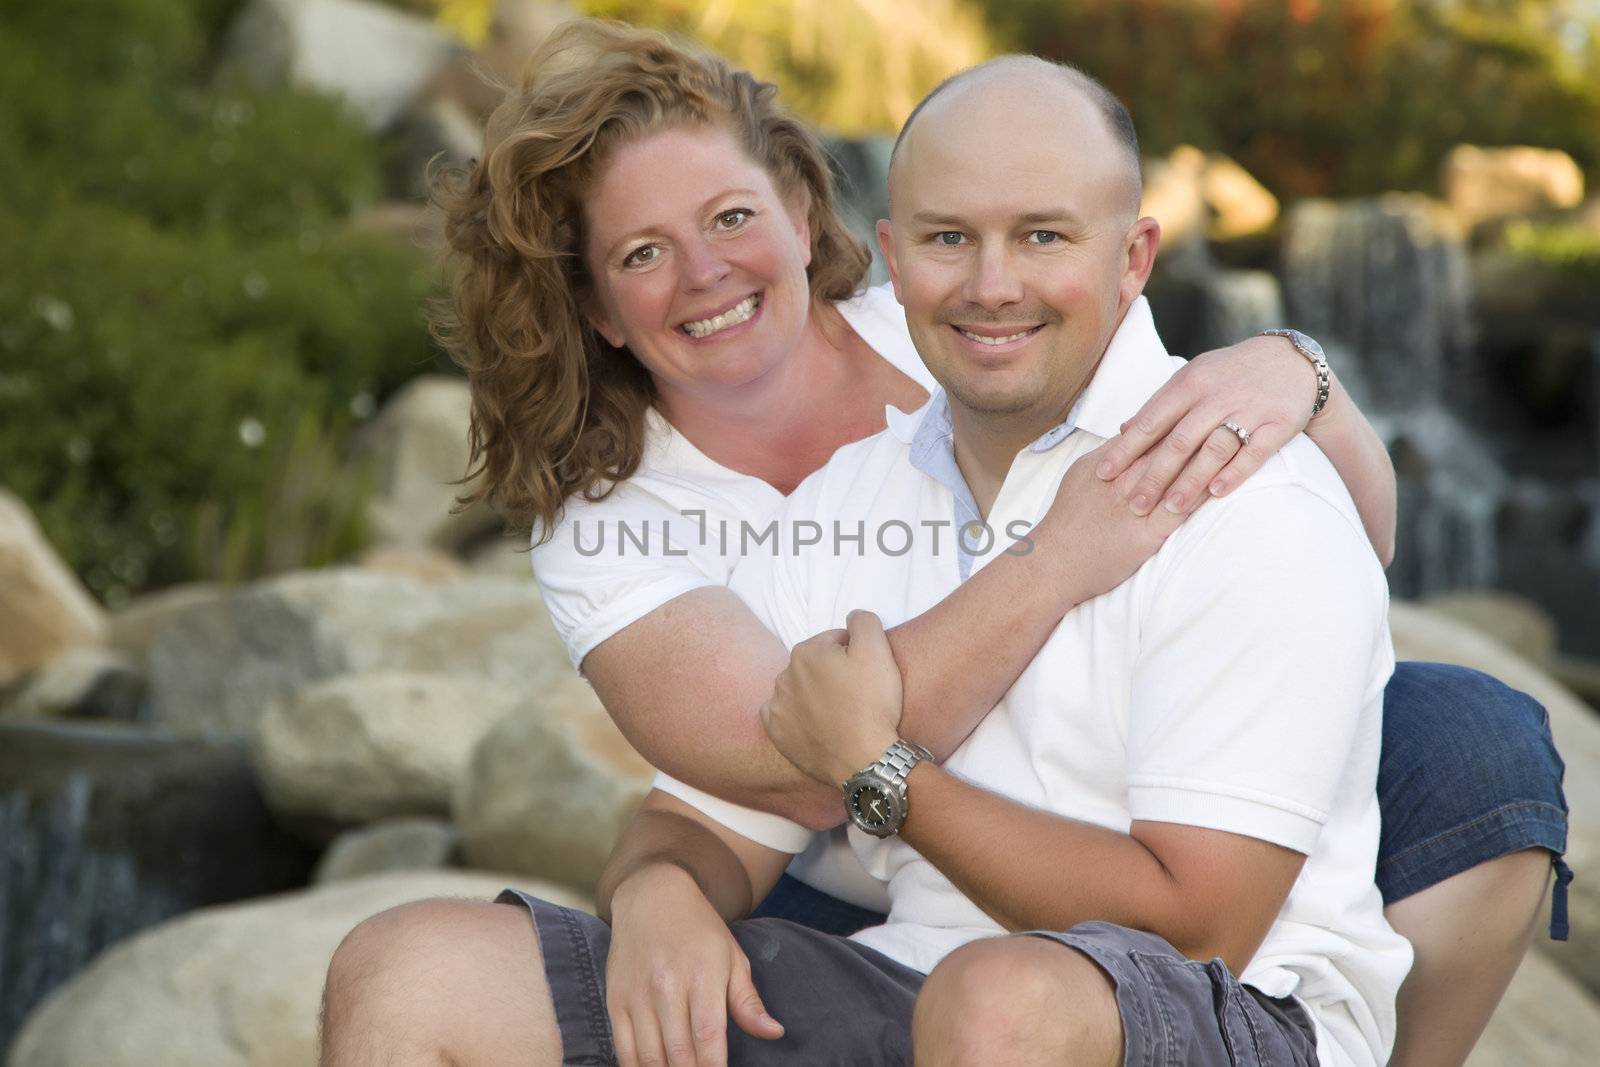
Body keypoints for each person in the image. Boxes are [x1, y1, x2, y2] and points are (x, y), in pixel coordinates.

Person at [318, 19, 1568, 1067]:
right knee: (406, 971)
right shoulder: (681, 512)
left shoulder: (1113, 414)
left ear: (807, 214)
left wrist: (1292, 370)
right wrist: (659, 894)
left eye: (1038, 239)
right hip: (866, 905)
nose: (987, 288)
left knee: (1469, 733)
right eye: (644, 252)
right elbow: (772, 780)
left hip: (1147, 963)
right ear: (594, 304)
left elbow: (1198, 915)